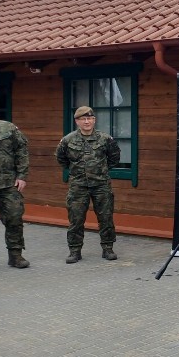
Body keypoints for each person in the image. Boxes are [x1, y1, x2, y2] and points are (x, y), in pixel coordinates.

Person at [55, 107, 121, 263]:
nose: (87, 122)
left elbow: (114, 158)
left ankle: (108, 248)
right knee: (76, 219)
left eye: (89, 119)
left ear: (94, 120)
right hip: (78, 185)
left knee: (106, 218)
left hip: (101, 185)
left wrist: (101, 171)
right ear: (77, 121)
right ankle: (74, 251)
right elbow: (61, 159)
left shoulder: (105, 139)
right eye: (83, 119)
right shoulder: (68, 140)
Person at [0, 102, 30, 272]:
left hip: (8, 184)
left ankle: (16, 256)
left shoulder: (7, 128)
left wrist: (22, 176)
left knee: (14, 218)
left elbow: (22, 150)